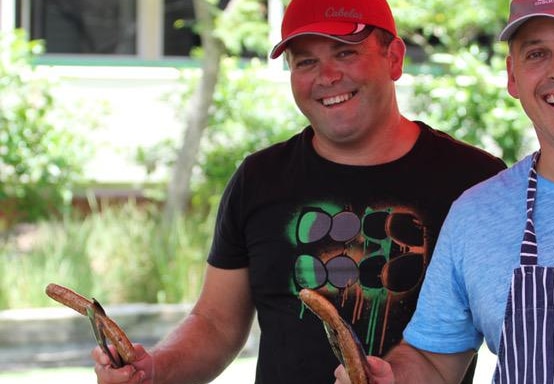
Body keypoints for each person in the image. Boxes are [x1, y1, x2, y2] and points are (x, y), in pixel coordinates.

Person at [90, 0, 506, 383]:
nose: (327, 77)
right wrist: (153, 370)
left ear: (393, 57)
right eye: (306, 61)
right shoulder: (260, 178)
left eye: (345, 52)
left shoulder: (475, 182)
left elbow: (513, 330)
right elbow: (217, 323)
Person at [334, 0, 554, 383]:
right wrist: (389, 378)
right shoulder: (476, 214)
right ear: (513, 76)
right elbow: (434, 362)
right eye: (537, 53)